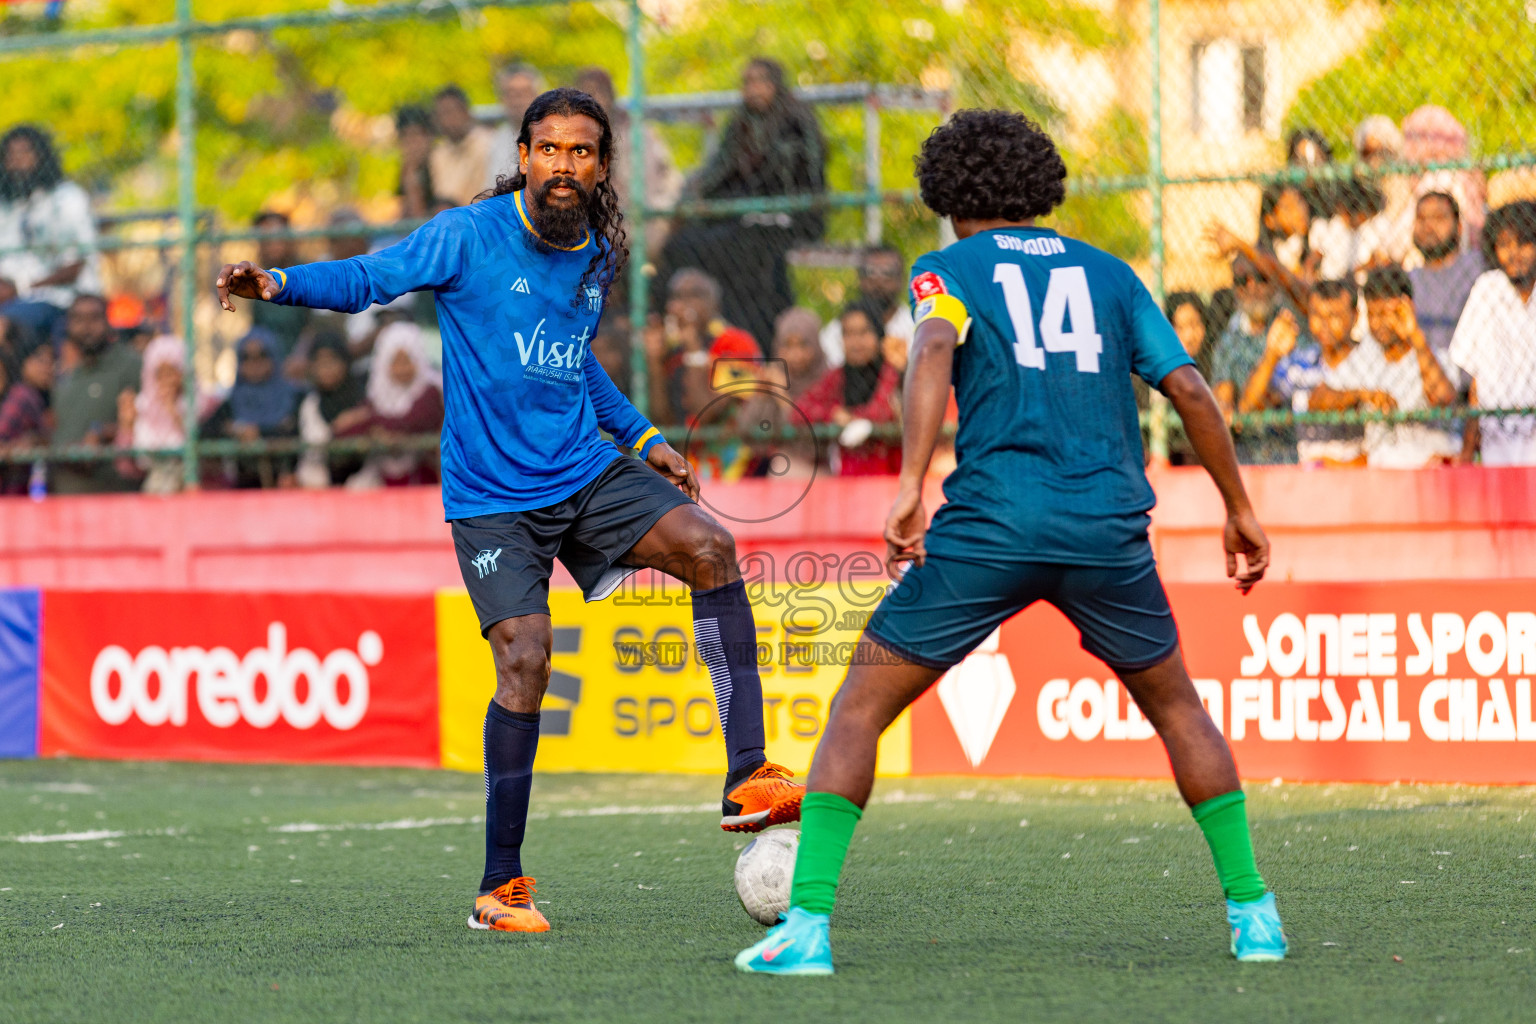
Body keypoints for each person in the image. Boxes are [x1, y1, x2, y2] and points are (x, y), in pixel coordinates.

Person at [216, 87, 805, 935]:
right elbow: (368, 278)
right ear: (523, 156)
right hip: (494, 500)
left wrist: (642, 437)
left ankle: (747, 775)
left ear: (602, 165)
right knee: (527, 661)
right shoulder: (465, 235)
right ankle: (500, 887)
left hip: (585, 470)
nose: (564, 164)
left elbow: (574, 364)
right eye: (549, 148)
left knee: (711, 547)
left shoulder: (597, 249)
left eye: (582, 151)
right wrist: (275, 281)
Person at [736, 108, 1281, 976]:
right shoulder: (1111, 274)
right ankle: (1256, 916)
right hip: (1107, 528)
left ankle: (805, 931)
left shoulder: (944, 270)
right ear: (1042, 186)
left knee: (860, 707)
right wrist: (1240, 506)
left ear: (944, 192)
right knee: (1178, 706)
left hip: (992, 524)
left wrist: (911, 485)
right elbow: (1190, 389)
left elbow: (932, 352)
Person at [660, 57, 827, 347]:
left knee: (754, 258)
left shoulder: (797, 120)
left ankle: (762, 340)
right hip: (743, 217)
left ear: (776, 84)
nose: (754, 89)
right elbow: (720, 170)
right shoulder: (741, 123)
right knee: (683, 244)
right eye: (748, 82)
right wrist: (694, 195)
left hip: (789, 216)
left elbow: (809, 178)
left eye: (761, 81)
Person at [1310, 267, 1459, 468]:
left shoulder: (1434, 356)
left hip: (1432, 471)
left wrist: (1415, 335)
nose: (1378, 323)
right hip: (1384, 475)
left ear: (1407, 310)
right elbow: (1317, 401)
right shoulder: (1364, 358)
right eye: (1372, 314)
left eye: (1387, 313)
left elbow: (1442, 397)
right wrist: (1362, 395)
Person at [1450, 200, 1536, 465]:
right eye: (1505, 245)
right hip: (1497, 442)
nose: (1514, 253)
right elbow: (1475, 379)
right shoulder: (1487, 289)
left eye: (1523, 243)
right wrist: (1467, 449)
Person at [570, 66, 682, 255]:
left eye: (597, 93)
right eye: (583, 96)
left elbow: (649, 191)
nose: (590, 103)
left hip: (640, 224)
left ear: (610, 97)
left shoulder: (635, 133)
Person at [0, 125, 100, 311]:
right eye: (10, 155)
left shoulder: (67, 198)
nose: (17, 161)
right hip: (9, 298)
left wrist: (21, 288)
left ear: (43, 156)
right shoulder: (7, 204)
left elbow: (76, 265)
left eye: (25, 153)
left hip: (58, 298)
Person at [1267, 280, 1367, 467]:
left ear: (1355, 316)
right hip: (1309, 475)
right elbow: (1254, 403)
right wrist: (1271, 355)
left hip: (1356, 475)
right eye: (1316, 315)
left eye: (1333, 316)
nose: (1324, 325)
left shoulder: (1369, 361)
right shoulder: (1301, 360)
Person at [336, 321, 445, 487]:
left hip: (424, 480)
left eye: (407, 361)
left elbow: (413, 422)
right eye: (395, 362)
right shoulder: (377, 395)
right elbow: (342, 431)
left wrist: (371, 423)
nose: (402, 369)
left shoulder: (430, 391)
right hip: (384, 483)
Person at [50, 294, 139, 494]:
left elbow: (153, 423)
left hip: (115, 496)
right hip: (64, 499)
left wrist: (103, 432)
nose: (86, 327)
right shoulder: (66, 376)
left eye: (94, 318)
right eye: (78, 320)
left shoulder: (130, 366)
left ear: (108, 322)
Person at [797, 303, 902, 475]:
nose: (856, 342)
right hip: (848, 473)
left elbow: (882, 412)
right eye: (848, 334)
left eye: (864, 332)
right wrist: (832, 413)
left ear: (878, 334)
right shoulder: (838, 376)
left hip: (891, 471)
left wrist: (852, 418)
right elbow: (800, 410)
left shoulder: (891, 372)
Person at [1210, 255, 1289, 464]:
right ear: (1236, 290)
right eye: (1243, 281)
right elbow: (1225, 397)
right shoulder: (1229, 342)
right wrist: (1225, 406)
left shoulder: (1291, 325)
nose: (1252, 287)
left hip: (1289, 452)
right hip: (1246, 455)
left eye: (1261, 278)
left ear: (1274, 284)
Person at [736, 306, 826, 478]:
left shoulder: (827, 379)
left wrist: (782, 395)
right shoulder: (775, 374)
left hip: (818, 470)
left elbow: (811, 444)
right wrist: (761, 396)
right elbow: (748, 435)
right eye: (788, 345)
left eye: (803, 345)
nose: (795, 354)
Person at [203, 328, 300, 489]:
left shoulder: (295, 397)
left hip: (287, 486)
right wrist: (236, 431)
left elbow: (295, 431)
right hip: (240, 489)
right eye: (247, 358)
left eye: (262, 356)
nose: (254, 364)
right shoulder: (231, 403)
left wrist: (259, 432)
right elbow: (206, 431)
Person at [1409, 192, 1484, 356]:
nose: (1428, 227)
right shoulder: (1409, 280)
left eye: (1438, 218)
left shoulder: (1478, 268)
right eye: (1421, 219)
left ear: (1459, 227)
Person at [295, 329, 368, 488]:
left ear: (345, 361)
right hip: (317, 495)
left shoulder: (364, 400)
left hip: (363, 492)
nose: (326, 368)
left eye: (332, 360)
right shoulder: (309, 404)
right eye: (319, 362)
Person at [818, 246, 914, 367]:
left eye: (887, 273)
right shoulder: (836, 330)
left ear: (902, 280)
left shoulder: (916, 330)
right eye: (870, 272)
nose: (878, 281)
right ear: (860, 278)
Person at [249, 211, 312, 364]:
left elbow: (315, 326)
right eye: (265, 240)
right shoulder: (258, 280)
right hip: (272, 365)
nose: (271, 246)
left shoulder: (306, 274)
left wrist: (300, 356)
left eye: (275, 238)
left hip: (304, 363)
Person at [0, 340, 52, 492]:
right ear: (23, 362)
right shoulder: (22, 394)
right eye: (40, 361)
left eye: (51, 361)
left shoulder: (25, 395)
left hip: (16, 491)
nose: (47, 368)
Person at [430, 85, 494, 207]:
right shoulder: (438, 152)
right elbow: (442, 195)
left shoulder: (488, 144)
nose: (447, 119)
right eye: (441, 114)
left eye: (451, 112)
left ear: (465, 112)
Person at [486, 64, 546, 191]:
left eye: (524, 93)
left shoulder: (551, 136)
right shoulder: (492, 141)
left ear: (538, 95)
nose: (518, 100)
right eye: (512, 94)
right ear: (502, 98)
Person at [396, 105, 439, 220]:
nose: (412, 143)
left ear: (430, 137)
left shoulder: (440, 163)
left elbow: (418, 215)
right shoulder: (407, 167)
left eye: (416, 134)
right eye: (406, 136)